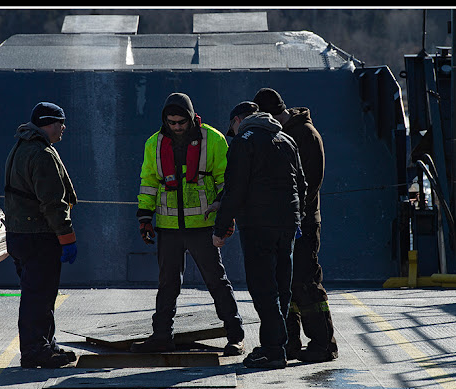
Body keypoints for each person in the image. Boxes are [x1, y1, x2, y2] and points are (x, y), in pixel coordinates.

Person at [133, 93, 245, 356]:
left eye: (181, 122)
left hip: (203, 226)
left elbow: (225, 182)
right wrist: (144, 218)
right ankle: (161, 336)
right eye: (171, 123)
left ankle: (235, 335)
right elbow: (149, 181)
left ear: (191, 117)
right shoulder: (154, 144)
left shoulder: (214, 139)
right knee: (167, 284)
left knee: (216, 281)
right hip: (169, 227)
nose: (177, 127)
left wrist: (226, 218)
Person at [214, 101, 307, 369]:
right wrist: (296, 218)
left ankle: (273, 349)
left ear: (237, 120)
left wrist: (220, 230)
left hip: (257, 225)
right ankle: (279, 344)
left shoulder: (244, 141)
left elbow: (236, 186)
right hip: (287, 224)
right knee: (282, 287)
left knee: (263, 288)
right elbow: (300, 183)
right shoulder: (285, 139)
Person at [253, 88, 338, 363]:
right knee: (285, 284)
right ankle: (289, 342)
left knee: (305, 283)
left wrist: (294, 215)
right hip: (283, 223)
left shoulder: (304, 135)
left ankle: (323, 344)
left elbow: (310, 183)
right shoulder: (282, 133)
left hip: (302, 223)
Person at [4, 102, 78, 369]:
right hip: (38, 236)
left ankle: (46, 344)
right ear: (49, 123)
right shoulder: (42, 154)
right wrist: (67, 238)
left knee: (39, 293)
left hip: (19, 234)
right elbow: (53, 204)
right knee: (39, 295)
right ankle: (36, 351)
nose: (63, 128)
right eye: (60, 123)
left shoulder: (21, 147)